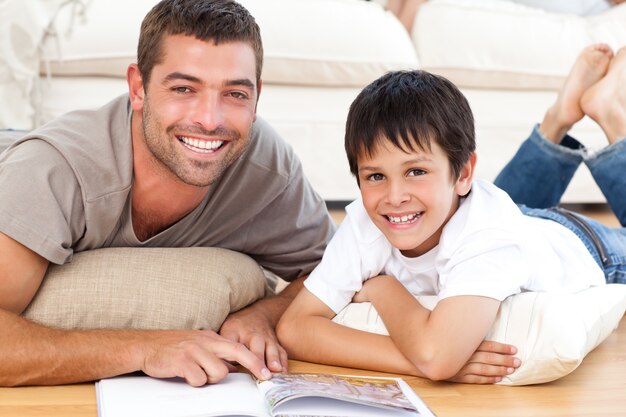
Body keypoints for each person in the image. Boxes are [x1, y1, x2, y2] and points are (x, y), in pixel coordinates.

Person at [0, 0, 340, 387]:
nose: (210, 120)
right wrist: (144, 349)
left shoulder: (265, 169)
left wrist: (264, 313)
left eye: (235, 94)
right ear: (138, 88)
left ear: (257, 97)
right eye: (183, 88)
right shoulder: (52, 170)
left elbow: (340, 271)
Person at [277, 43, 626, 383]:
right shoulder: (367, 223)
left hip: (586, 245)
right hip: (490, 216)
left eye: (415, 171)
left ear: (464, 174)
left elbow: (436, 355)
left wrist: (383, 288)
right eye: (376, 176)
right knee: (483, 204)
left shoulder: (490, 238)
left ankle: (611, 114)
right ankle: (557, 120)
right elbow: (294, 328)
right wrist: (413, 362)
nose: (394, 196)